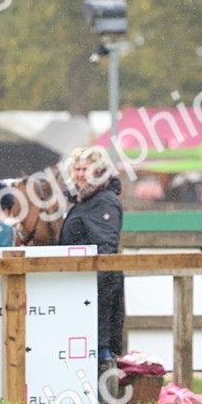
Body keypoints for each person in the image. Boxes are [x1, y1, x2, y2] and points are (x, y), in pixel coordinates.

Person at [58, 148, 125, 376]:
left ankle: (106, 399)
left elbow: (106, 248)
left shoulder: (103, 201)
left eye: (85, 169)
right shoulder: (84, 201)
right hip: (81, 285)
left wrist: (94, 288)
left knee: (101, 344)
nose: (79, 174)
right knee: (88, 343)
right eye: (77, 169)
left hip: (99, 287)